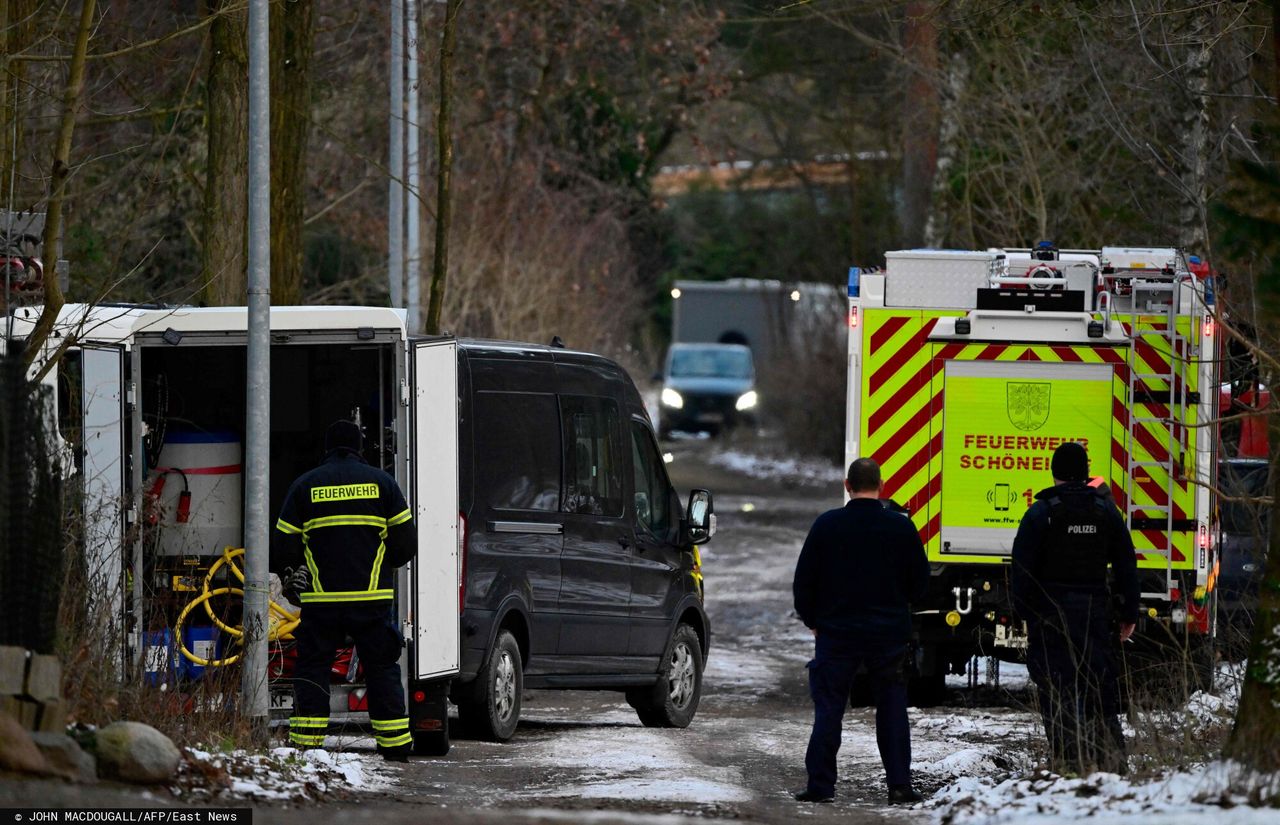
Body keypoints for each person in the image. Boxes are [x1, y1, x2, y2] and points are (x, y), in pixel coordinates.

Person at [273, 419, 417, 761]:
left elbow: (284, 545)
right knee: (381, 668)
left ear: (327, 448)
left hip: (321, 603)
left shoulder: (305, 485)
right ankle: (395, 747)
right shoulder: (383, 484)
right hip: (371, 601)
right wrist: (382, 568)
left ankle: (308, 744)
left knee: (313, 667)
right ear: (359, 448)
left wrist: (295, 581)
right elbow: (405, 544)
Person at [792, 457, 930, 804]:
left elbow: (804, 581)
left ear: (847, 485)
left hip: (836, 634)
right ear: (881, 486)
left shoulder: (827, 525)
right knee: (892, 708)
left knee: (829, 709)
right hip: (888, 635)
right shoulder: (900, 528)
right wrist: (900, 609)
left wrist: (812, 620)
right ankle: (899, 785)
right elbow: (920, 583)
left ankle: (821, 785)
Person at [1011, 441, 1139, 776]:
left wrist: (1024, 613)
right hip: (1096, 615)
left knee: (1058, 690)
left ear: (1054, 474)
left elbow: (1021, 568)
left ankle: (1067, 765)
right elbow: (1127, 563)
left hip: (1052, 618)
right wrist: (1129, 614)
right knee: (1100, 689)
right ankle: (1111, 765)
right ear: (1085, 473)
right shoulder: (1105, 511)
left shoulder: (1042, 512)